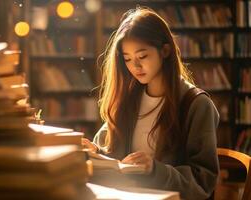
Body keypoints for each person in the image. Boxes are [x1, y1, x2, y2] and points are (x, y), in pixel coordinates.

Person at [82, 7, 219, 200]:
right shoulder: (128, 99)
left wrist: (155, 170)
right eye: (128, 59)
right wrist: (95, 153)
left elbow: (203, 182)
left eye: (142, 56)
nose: (135, 66)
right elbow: (114, 157)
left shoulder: (196, 105)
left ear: (165, 50)